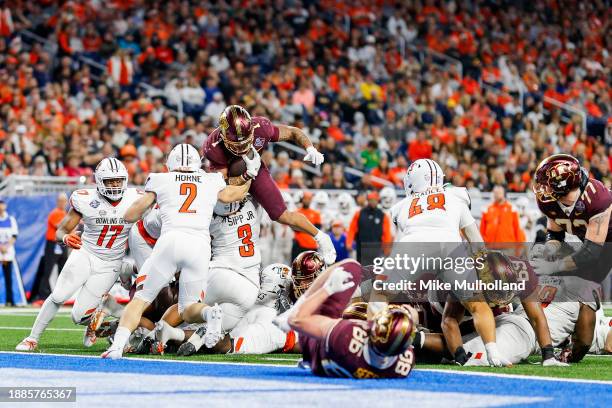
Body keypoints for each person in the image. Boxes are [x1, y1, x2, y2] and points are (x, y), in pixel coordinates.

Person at [101, 143, 251, 359]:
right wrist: (251, 175)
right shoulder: (211, 179)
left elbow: (132, 214)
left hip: (171, 240)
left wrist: (131, 213)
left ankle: (117, 347)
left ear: (170, 164)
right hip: (199, 246)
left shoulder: (161, 179)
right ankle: (210, 313)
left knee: (140, 300)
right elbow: (232, 195)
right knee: (188, 307)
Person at [16, 158, 140, 351]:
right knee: (58, 296)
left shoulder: (137, 198)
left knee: (77, 316)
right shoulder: (86, 199)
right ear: (99, 181)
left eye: (118, 180)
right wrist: (65, 238)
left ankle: (100, 313)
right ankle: (32, 338)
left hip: (111, 263)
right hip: (86, 253)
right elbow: (61, 230)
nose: (115, 185)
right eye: (109, 181)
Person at [202, 105, 336, 265]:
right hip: (233, 178)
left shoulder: (261, 127)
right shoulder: (213, 147)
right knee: (218, 215)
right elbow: (225, 189)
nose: (243, 148)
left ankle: (321, 237)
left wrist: (310, 147)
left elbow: (294, 132)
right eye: (238, 144)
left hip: (256, 169)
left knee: (281, 214)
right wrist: (246, 174)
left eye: (247, 141)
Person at [280, 258, 417, 379]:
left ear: (374, 331)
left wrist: (328, 289)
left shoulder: (349, 337)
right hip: (342, 360)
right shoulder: (404, 365)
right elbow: (397, 336)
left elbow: (296, 320)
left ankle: (299, 306)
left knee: (352, 268)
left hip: (315, 346)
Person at [34, 193, 68, 302]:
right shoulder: (55, 213)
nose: (63, 203)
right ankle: (43, 295)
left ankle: (60, 294)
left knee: (63, 270)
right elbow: (60, 227)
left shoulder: (65, 213)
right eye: (61, 201)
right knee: (48, 269)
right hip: (53, 244)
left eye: (64, 201)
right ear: (58, 202)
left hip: (62, 243)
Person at [346, 191, 392, 265]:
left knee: (376, 270)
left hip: (376, 248)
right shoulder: (359, 213)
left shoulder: (382, 215)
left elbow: (387, 233)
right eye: (371, 200)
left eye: (375, 200)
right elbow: (352, 229)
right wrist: (349, 243)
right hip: (361, 248)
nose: (373, 202)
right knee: (362, 270)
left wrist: (387, 248)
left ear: (378, 201)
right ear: (368, 201)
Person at [292, 192, 322, 260]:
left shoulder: (316, 214)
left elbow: (317, 228)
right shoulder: (297, 213)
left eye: (309, 199)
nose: (307, 200)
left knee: (312, 268)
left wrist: (302, 227)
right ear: (302, 199)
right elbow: (294, 228)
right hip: (299, 245)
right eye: (305, 198)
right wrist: (308, 228)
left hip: (312, 245)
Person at [0, 199, 18, 306]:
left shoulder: (11, 219)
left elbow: (14, 235)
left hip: (7, 252)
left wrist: (6, 246)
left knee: (8, 277)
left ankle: (10, 300)